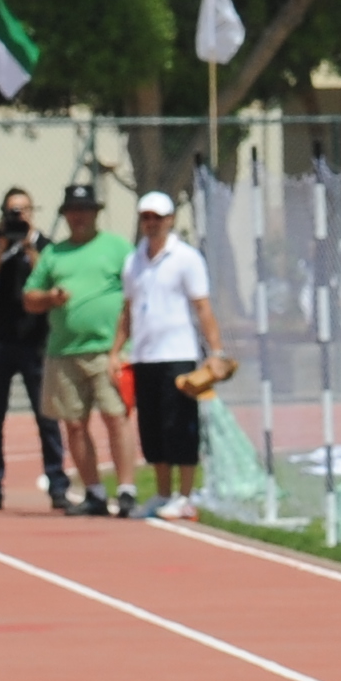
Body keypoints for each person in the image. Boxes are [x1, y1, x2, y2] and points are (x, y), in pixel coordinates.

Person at [23, 176, 137, 517]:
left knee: (116, 417)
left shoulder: (117, 248)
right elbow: (29, 297)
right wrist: (50, 297)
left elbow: (135, 294)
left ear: (96, 213)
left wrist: (123, 346)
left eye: (84, 210)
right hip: (64, 351)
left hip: (107, 350)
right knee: (74, 424)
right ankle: (94, 492)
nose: (79, 217)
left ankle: (127, 489)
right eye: (73, 211)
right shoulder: (54, 254)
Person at [121, 189, 225, 521]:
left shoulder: (186, 258)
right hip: (144, 355)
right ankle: (164, 492)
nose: (151, 224)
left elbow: (202, 307)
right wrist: (115, 350)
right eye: (146, 217)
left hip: (178, 354)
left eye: (157, 217)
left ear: (170, 220)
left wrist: (216, 351)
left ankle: (185, 495)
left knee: (180, 425)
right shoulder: (133, 260)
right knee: (151, 428)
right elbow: (127, 310)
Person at [0, 187, 64, 511]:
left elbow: (47, 279)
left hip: (35, 343)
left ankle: (57, 484)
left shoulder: (45, 247)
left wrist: (28, 246)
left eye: (22, 210)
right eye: (12, 211)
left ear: (32, 211)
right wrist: (1, 246)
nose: (17, 217)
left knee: (46, 417)